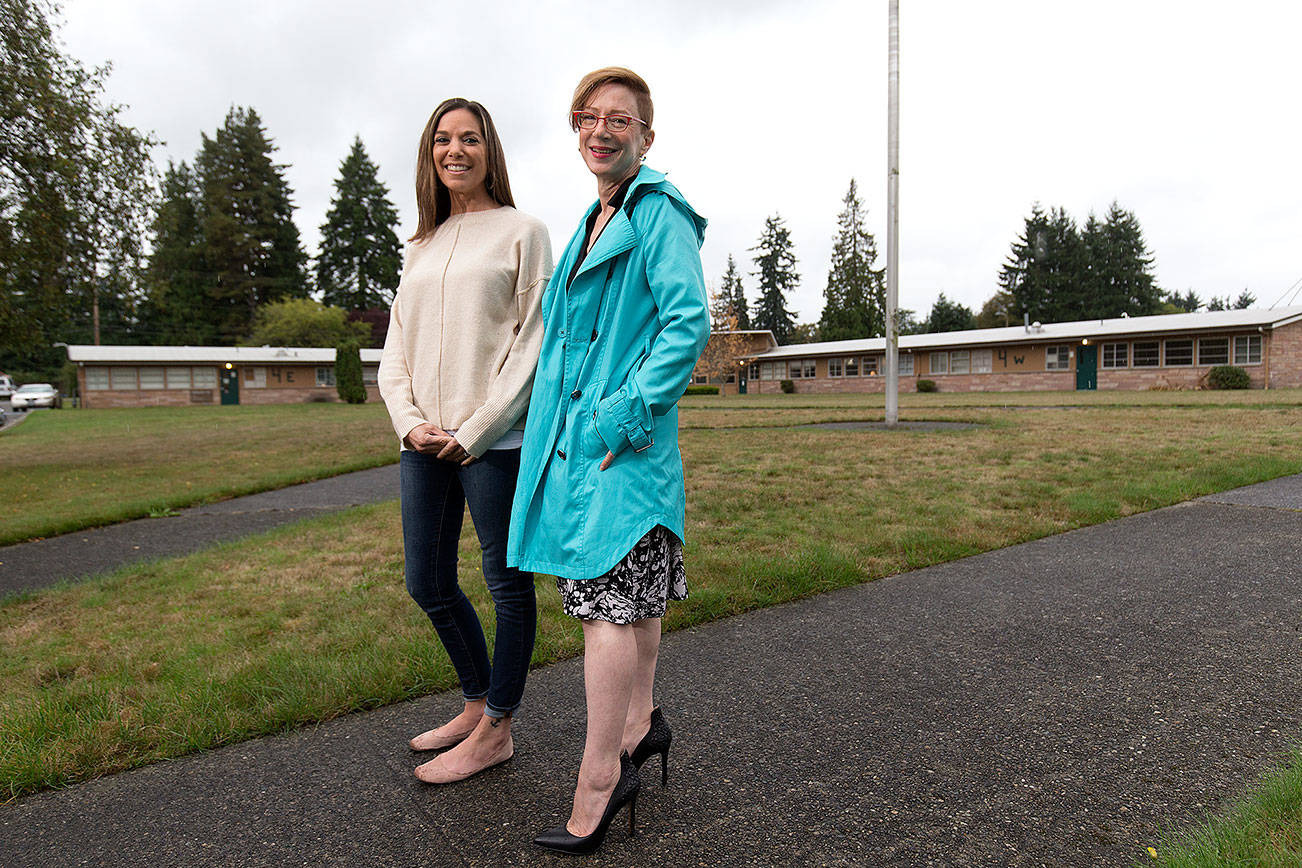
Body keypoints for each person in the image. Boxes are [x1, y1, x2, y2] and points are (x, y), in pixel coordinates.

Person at [507, 67, 710, 854]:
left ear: (645, 136)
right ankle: (640, 724)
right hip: (603, 444)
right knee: (636, 599)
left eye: (619, 120)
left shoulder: (657, 213)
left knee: (605, 609)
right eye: (588, 118)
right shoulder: (597, 216)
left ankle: (599, 776)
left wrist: (614, 418)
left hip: (622, 443)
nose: (601, 130)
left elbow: (686, 327)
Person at [378, 97, 552, 785]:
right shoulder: (419, 244)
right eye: (444, 140)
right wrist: (408, 421)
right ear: (430, 155)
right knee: (426, 580)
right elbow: (396, 347)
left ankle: (498, 728)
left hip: (493, 442)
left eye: (470, 139)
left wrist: (477, 429)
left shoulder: (523, 231)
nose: (456, 150)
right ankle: (477, 701)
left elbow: (533, 342)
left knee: (506, 582)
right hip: (421, 441)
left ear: (489, 151)